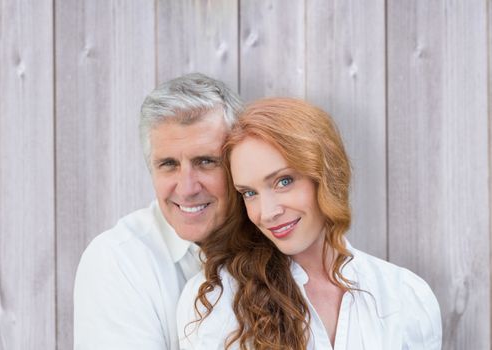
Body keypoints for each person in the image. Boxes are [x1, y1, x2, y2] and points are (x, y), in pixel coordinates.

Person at [177, 98, 442, 350]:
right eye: (249, 193)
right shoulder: (217, 299)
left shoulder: (406, 296)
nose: (267, 213)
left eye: (283, 181)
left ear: (326, 175)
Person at [73, 73, 242, 350]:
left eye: (206, 162)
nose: (187, 188)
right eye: (169, 164)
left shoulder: (280, 238)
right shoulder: (118, 261)